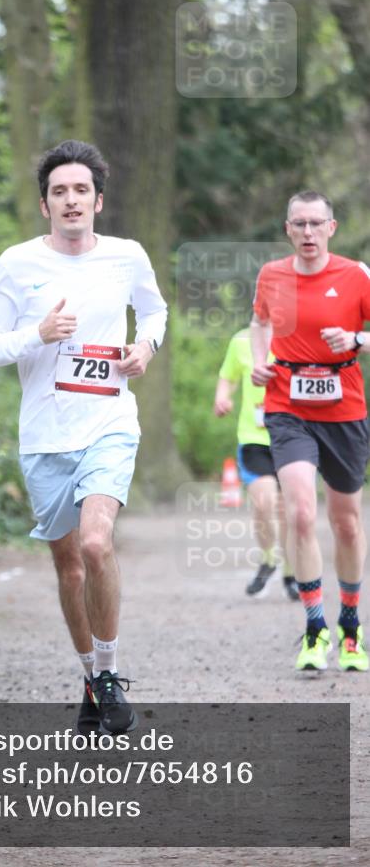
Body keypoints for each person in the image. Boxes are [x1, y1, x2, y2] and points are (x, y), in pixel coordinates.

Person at [0, 140, 167, 732]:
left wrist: (145, 347)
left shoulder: (127, 256)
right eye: (60, 191)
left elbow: (154, 312)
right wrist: (38, 333)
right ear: (45, 205)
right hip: (44, 436)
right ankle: (89, 677)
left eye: (82, 190)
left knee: (96, 545)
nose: (71, 200)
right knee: (70, 567)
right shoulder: (17, 264)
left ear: (98, 201)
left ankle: (107, 674)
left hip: (109, 422)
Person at [250, 190, 369, 672]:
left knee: (346, 522)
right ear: (287, 229)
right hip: (287, 405)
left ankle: (351, 626)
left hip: (344, 408)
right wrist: (259, 362)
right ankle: (315, 628)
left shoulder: (356, 275)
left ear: (331, 228)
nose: (307, 232)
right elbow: (258, 322)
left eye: (316, 223)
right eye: (298, 224)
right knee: (300, 512)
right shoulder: (271, 275)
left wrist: (357, 338)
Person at [214, 328, 299, 600]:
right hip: (254, 438)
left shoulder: (298, 336)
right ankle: (268, 559)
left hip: (293, 437)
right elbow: (228, 376)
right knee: (264, 503)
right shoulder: (241, 340)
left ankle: (290, 573)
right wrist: (222, 397)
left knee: (288, 510)